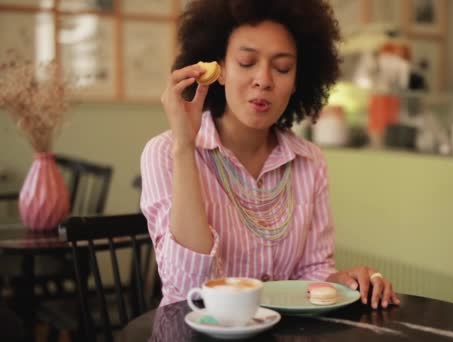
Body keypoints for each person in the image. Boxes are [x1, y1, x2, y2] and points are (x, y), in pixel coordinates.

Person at [140, 0, 400, 310]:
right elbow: (189, 293)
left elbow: (311, 275)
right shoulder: (165, 154)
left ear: (296, 83)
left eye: (282, 68)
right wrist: (184, 145)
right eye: (247, 62)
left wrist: (344, 282)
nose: (264, 79)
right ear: (217, 70)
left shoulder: (309, 162)